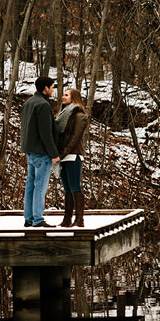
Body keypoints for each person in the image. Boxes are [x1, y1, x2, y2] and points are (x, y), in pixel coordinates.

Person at [21, 76, 60, 228]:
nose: (52, 90)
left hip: (29, 150)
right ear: (45, 88)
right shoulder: (43, 105)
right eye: (51, 87)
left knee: (30, 185)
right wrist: (54, 153)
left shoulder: (28, 102)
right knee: (40, 186)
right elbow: (46, 133)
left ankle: (29, 218)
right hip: (41, 152)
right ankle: (37, 219)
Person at [55, 88, 90, 227]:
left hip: (74, 155)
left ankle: (79, 219)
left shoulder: (79, 115)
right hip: (63, 155)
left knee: (75, 187)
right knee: (67, 188)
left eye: (66, 95)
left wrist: (62, 153)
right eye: (63, 94)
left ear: (74, 98)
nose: (63, 97)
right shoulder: (63, 115)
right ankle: (67, 219)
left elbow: (75, 138)